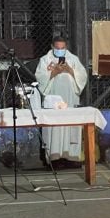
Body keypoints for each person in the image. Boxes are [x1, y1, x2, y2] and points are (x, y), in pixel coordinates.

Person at [35, 36, 88, 169]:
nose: (60, 50)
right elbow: (40, 78)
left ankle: (72, 158)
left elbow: (82, 76)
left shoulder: (73, 59)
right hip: (53, 100)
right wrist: (53, 72)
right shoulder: (45, 60)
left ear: (66, 48)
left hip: (70, 99)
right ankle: (54, 158)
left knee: (70, 125)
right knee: (55, 126)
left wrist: (70, 70)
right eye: (57, 48)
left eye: (62, 48)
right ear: (52, 47)